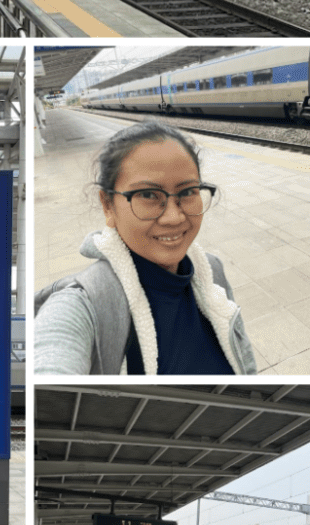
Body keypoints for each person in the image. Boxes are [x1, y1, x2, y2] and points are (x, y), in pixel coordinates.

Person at [35, 120, 257, 375]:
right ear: (108, 206)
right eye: (148, 195)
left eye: (187, 192)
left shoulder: (212, 272)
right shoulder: (82, 306)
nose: (174, 217)